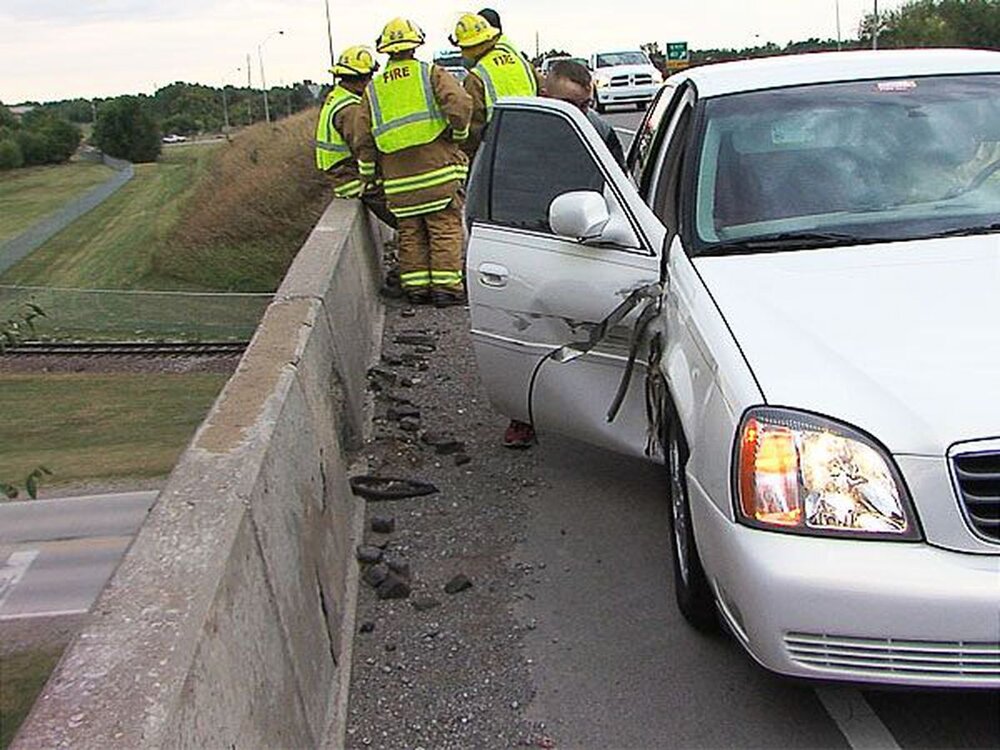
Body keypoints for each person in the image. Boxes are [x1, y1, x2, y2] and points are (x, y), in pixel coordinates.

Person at [355, 18, 473, 308]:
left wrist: (369, 175)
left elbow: (363, 137)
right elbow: (460, 103)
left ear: (385, 50)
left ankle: (417, 290)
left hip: (398, 183)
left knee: (410, 233)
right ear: (415, 44)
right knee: (444, 229)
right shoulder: (430, 74)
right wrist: (458, 134)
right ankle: (446, 289)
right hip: (436, 175)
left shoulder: (374, 89)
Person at [314, 46, 396, 228]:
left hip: (342, 174)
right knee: (406, 218)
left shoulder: (337, 97)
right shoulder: (351, 109)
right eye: (369, 77)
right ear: (360, 79)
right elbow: (363, 147)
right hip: (351, 178)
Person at [451, 12, 542, 158]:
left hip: (500, 151)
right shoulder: (522, 63)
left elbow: (474, 127)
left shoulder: (477, 76)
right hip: (532, 141)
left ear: (470, 47)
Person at [544, 59, 626, 168]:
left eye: (585, 105)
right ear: (545, 97)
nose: (577, 114)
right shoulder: (528, 128)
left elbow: (619, 175)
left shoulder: (600, 131)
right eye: (568, 106)